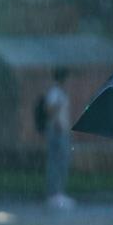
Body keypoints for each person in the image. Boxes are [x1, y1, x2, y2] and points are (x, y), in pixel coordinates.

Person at [44, 67, 75, 209]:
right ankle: (55, 195)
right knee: (57, 162)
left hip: (62, 131)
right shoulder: (55, 92)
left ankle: (58, 193)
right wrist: (56, 121)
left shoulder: (59, 92)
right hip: (57, 131)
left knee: (61, 162)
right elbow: (49, 109)